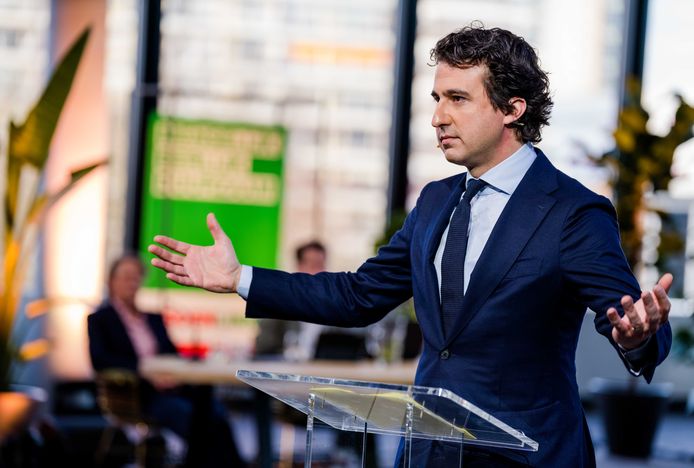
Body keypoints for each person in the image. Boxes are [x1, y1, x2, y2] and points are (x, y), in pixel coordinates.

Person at [147, 25, 673, 467]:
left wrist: (634, 336)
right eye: (437, 98)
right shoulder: (436, 201)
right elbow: (359, 296)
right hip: (428, 452)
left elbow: (628, 319)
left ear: (513, 109)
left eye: (458, 99)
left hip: (524, 455)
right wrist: (241, 278)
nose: (438, 116)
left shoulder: (571, 211)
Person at [87, 254, 247, 467]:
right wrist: (146, 372)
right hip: (139, 393)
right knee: (196, 420)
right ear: (111, 281)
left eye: (136, 277)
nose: (132, 283)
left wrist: (192, 363)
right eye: (126, 277)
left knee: (216, 413)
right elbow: (101, 360)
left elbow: (171, 353)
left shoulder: (153, 318)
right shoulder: (100, 320)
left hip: (174, 386)